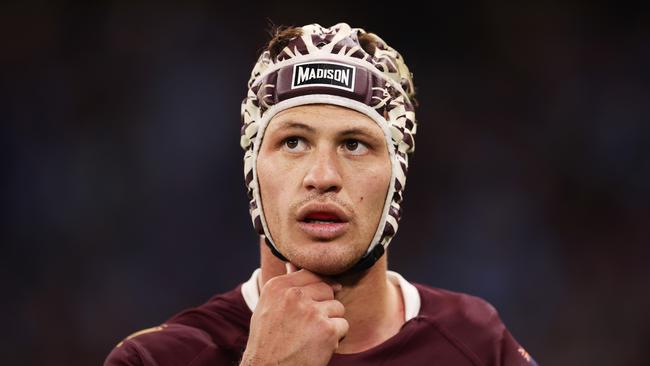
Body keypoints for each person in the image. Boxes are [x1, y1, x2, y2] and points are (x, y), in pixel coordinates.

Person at [105, 23, 537, 366]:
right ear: (252, 168)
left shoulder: (477, 344)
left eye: (354, 144)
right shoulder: (156, 360)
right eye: (293, 142)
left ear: (398, 175)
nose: (322, 176)